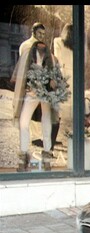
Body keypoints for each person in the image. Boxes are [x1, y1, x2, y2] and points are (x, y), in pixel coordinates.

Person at [12, 40, 65, 172]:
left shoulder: (52, 58)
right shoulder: (27, 54)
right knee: (23, 122)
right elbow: (20, 74)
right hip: (32, 93)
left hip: (46, 94)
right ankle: (24, 155)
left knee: (46, 122)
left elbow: (58, 78)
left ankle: (47, 154)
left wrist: (53, 86)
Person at [53, 24, 73, 141]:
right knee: (70, 108)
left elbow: (57, 60)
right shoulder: (75, 46)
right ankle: (69, 137)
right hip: (74, 77)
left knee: (58, 110)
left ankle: (54, 138)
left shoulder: (58, 42)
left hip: (63, 75)